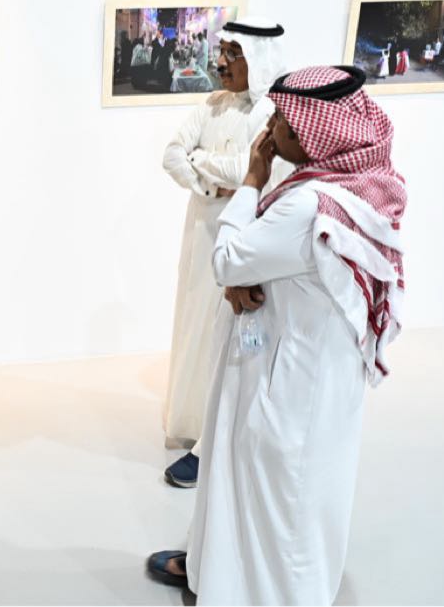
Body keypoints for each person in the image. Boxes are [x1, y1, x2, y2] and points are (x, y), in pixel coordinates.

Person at [148, 65, 407, 605]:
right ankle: (212, 573)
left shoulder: (307, 204)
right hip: (312, 370)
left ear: (315, 133)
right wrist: (244, 272)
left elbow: (227, 259)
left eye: (284, 122)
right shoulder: (357, 183)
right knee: (281, 489)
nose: (271, 131)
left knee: (276, 494)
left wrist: (250, 180)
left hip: (287, 377)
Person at [160, 17, 287, 488]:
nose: (221, 63)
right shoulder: (212, 104)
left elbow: (248, 170)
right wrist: (212, 185)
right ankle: (193, 423)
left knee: (230, 339)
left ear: (258, 59)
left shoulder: (271, 111)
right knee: (194, 328)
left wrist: (203, 163)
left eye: (233, 54)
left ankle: (216, 440)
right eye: (223, 52)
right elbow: (172, 154)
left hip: (240, 238)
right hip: (201, 233)